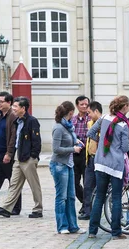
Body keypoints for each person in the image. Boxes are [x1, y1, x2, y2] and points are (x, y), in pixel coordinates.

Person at [87, 95, 129, 240]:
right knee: (116, 197)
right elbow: (125, 147)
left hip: (100, 162)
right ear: (124, 107)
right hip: (116, 165)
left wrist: (101, 144)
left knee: (99, 196)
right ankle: (116, 231)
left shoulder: (104, 117)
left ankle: (92, 231)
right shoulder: (123, 125)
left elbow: (90, 132)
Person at [0, 96, 43, 219]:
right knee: (14, 184)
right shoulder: (18, 121)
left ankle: (38, 209)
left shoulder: (32, 121)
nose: (13, 108)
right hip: (18, 156)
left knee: (33, 184)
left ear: (23, 108)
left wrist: (33, 156)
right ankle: (6, 208)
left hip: (28, 158)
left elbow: (36, 141)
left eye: (15, 106)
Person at [49, 101, 85, 234]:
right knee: (61, 197)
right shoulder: (58, 127)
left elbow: (71, 136)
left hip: (69, 165)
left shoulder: (69, 126)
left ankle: (73, 226)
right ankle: (62, 226)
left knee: (70, 196)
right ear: (70, 112)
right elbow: (56, 149)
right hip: (59, 165)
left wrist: (76, 140)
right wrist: (73, 149)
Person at [0, 92, 22, 215]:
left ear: (9, 103)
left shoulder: (13, 116)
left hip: (7, 155)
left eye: (2, 101)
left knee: (13, 182)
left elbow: (13, 136)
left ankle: (15, 208)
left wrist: (9, 153)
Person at [80, 100, 103, 220]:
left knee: (101, 187)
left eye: (89, 112)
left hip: (100, 159)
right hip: (90, 159)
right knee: (87, 186)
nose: (88, 115)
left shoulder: (104, 123)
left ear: (96, 111)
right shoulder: (90, 123)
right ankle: (88, 211)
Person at [72, 95, 90, 215]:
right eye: (81, 104)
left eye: (86, 104)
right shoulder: (72, 119)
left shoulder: (91, 119)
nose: (84, 106)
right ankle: (85, 203)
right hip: (74, 152)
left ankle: (87, 206)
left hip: (86, 152)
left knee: (87, 181)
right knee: (74, 182)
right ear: (77, 106)